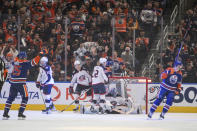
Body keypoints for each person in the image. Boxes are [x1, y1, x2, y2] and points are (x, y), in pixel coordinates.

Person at [2, 51, 44, 120]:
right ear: (24, 57)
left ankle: (5, 113)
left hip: (12, 82)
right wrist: (39, 55)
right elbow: (34, 62)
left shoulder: (14, 62)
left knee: (10, 98)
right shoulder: (25, 63)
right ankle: (20, 113)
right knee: (25, 97)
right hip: (21, 83)